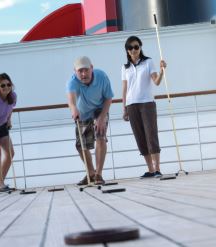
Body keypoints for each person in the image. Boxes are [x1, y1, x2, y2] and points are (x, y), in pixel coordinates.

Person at [121, 36, 167, 178]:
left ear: (140, 47)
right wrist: (124, 108)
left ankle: (157, 169)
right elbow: (124, 88)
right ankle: (150, 169)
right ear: (127, 51)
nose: (134, 50)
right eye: (130, 48)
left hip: (147, 103)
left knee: (151, 135)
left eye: (136, 47)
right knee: (140, 137)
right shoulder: (125, 67)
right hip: (131, 105)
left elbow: (156, 82)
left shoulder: (148, 62)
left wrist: (162, 70)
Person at [66, 56, 114, 185]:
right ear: (75, 71)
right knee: (80, 145)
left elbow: (108, 98)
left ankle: (98, 174)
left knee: (100, 137)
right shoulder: (72, 81)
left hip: (100, 108)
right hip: (83, 112)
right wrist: (73, 108)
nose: (83, 74)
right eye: (80, 71)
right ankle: (91, 173)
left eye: (86, 70)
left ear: (91, 68)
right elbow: (71, 100)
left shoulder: (102, 77)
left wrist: (102, 118)